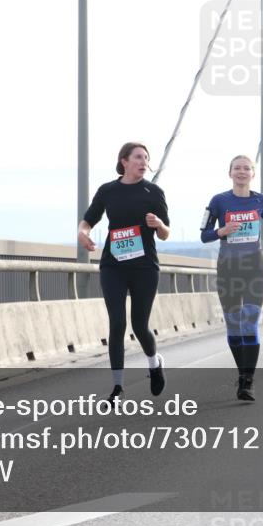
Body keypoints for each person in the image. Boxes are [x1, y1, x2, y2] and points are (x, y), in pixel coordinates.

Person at [79, 142, 170, 405]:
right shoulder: (108, 191)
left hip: (144, 267)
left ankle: (154, 363)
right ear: (124, 161)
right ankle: (117, 388)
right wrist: (82, 233)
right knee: (117, 324)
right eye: (138, 157)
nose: (144, 162)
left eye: (146, 159)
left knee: (140, 325)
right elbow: (89, 219)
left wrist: (159, 224)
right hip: (113, 265)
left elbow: (165, 234)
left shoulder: (153, 192)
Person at [201, 154, 263, 401]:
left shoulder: (261, 200)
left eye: (246, 168)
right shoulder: (219, 201)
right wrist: (220, 231)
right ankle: (241, 372)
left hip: (254, 267)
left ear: (252, 174)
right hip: (227, 268)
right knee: (234, 324)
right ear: (230, 173)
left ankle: (247, 381)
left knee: (250, 321)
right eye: (237, 168)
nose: (242, 172)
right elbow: (204, 235)